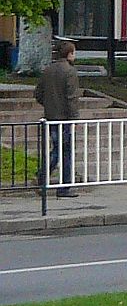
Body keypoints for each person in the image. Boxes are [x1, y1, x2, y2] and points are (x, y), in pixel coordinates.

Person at [35, 40, 80, 198]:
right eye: (73, 52)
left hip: (51, 117)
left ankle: (42, 176)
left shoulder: (48, 70)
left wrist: (48, 105)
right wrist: (75, 118)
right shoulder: (70, 71)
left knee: (56, 149)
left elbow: (38, 94)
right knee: (65, 151)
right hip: (65, 118)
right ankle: (64, 187)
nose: (75, 55)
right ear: (69, 54)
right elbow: (72, 98)